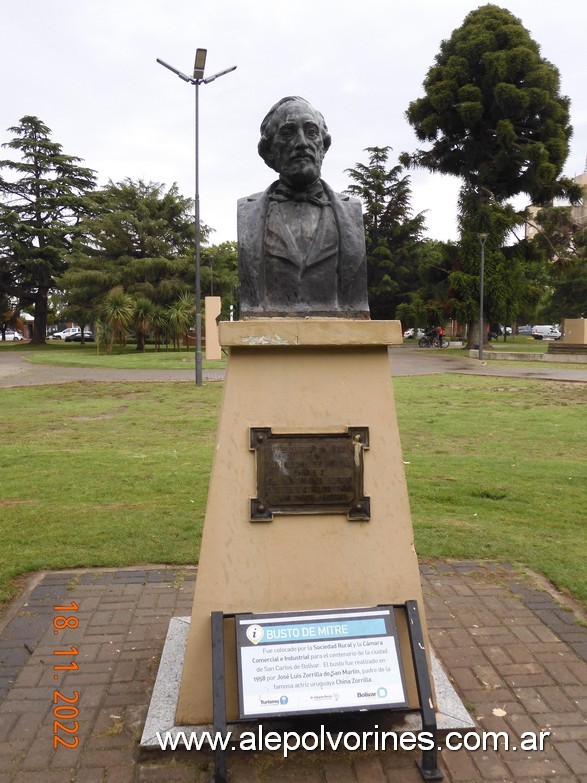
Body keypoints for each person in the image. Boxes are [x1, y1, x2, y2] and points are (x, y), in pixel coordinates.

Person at [238, 96, 370, 319]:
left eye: (311, 132)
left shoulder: (351, 211)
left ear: (323, 146)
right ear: (270, 151)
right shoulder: (247, 212)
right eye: (288, 133)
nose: (301, 143)